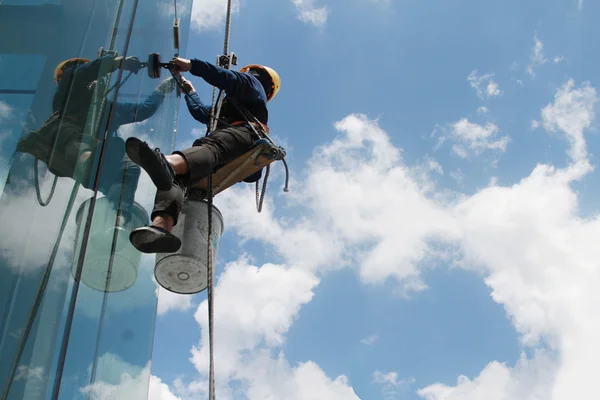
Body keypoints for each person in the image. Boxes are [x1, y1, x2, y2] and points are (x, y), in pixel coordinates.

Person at [124, 56, 281, 253]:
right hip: (231, 148)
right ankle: (160, 227)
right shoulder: (229, 106)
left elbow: (229, 79)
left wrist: (193, 65)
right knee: (179, 179)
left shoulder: (252, 82)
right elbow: (202, 112)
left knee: (211, 147)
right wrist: (190, 91)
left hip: (243, 136)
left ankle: (169, 163)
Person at [17, 53, 177, 221]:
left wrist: (160, 91)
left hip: (88, 157)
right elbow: (82, 73)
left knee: (128, 168)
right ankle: (86, 162)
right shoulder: (70, 87)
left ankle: (119, 215)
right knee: (78, 140)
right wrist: (115, 63)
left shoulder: (106, 108)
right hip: (69, 144)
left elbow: (143, 110)